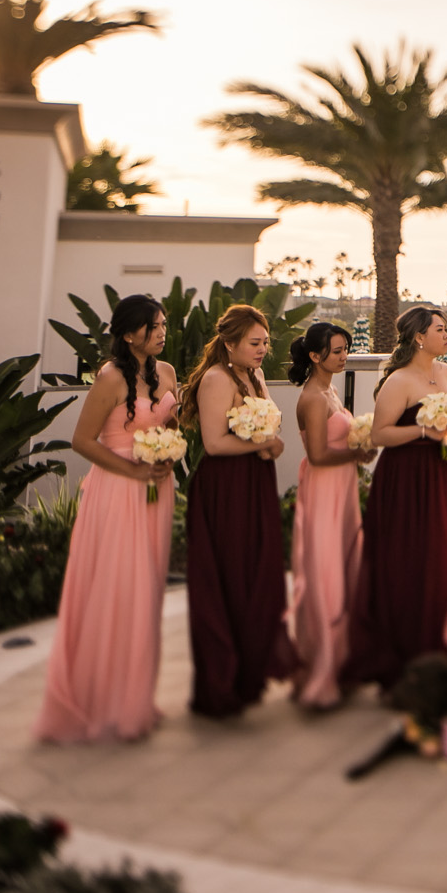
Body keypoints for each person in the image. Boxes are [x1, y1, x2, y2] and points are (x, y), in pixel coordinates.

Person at [35, 294, 179, 743]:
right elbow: (82, 440)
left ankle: (134, 696)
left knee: (147, 591)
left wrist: (169, 452)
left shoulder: (168, 372)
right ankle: (103, 701)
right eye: (153, 326)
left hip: (158, 489)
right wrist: (136, 467)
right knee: (119, 588)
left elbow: (170, 425)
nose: (161, 332)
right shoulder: (111, 377)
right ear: (130, 332)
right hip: (118, 491)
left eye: (163, 325)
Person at [343, 306, 447, 693]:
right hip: (404, 480)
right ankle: (403, 659)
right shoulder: (399, 381)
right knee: (408, 564)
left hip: (439, 474)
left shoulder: (446, 373)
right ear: (419, 337)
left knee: (443, 558)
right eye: (440, 329)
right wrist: (422, 432)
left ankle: (443, 650)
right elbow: (380, 435)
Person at [179, 304, 295, 718]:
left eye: (266, 342)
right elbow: (214, 444)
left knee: (256, 576)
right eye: (255, 342)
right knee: (226, 580)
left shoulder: (255, 375)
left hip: (255, 483)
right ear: (230, 343)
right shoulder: (216, 378)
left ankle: (249, 675)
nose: (263, 349)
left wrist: (266, 442)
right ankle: (219, 683)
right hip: (225, 488)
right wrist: (263, 445)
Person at [287, 321, 373, 711]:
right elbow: (319, 456)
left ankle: (342, 660)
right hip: (323, 490)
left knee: (344, 568)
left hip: (342, 488)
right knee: (325, 575)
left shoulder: (331, 390)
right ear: (314, 355)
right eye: (336, 351)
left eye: (345, 350)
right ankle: (320, 667)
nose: (343, 357)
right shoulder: (313, 398)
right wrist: (356, 454)